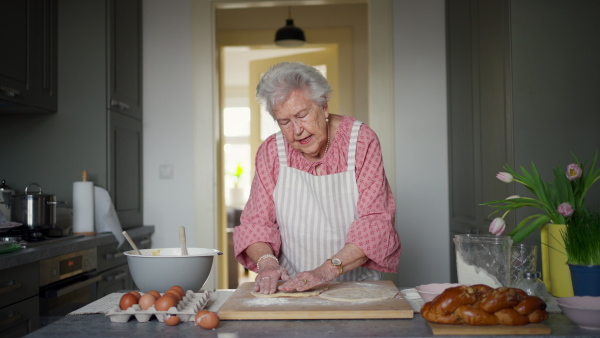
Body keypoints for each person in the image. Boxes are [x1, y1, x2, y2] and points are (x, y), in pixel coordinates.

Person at [233, 62, 401, 295]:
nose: (296, 130)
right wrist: (267, 263)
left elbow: (376, 223)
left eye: (302, 115)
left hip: (357, 286)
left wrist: (323, 271)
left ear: (323, 107)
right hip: (292, 287)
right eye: (284, 122)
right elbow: (256, 224)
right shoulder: (271, 152)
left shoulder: (361, 142)